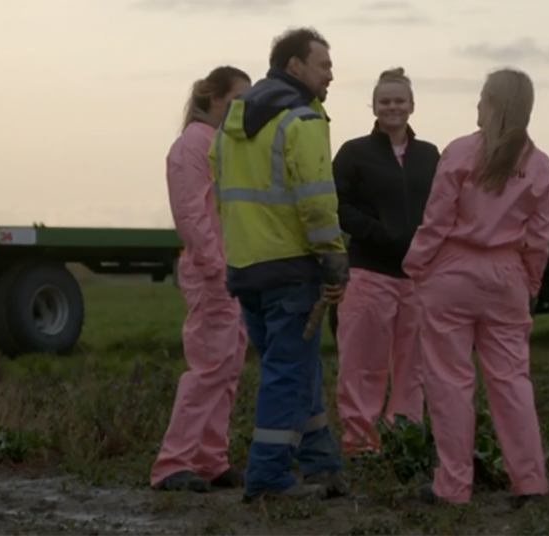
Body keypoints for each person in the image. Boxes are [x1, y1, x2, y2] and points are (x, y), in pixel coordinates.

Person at [401, 67, 549, 506]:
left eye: (482, 97)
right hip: (507, 277)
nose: (477, 104)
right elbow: (540, 237)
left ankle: (453, 486)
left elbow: (436, 221)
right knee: (512, 381)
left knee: (449, 382)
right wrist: (529, 282)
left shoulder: (461, 152)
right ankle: (531, 483)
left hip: (452, 272)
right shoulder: (540, 166)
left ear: (491, 104)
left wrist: (416, 266)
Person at [208, 27, 351, 503]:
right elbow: (317, 200)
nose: (331, 75)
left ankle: (320, 462)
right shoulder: (302, 120)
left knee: (295, 368)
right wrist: (333, 257)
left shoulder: (232, 123)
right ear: (296, 66)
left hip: (246, 267)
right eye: (324, 65)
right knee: (288, 374)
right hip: (291, 267)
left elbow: (220, 189)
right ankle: (268, 476)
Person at [151, 66, 254, 494]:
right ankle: (173, 463)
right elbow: (192, 215)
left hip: (232, 271)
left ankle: (211, 459)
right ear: (214, 98)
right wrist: (216, 270)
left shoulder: (221, 143)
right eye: (237, 99)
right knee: (210, 367)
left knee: (227, 368)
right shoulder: (192, 146)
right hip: (214, 273)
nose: (243, 108)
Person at [332, 67, 440, 457]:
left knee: (414, 366)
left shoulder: (430, 155)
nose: (392, 107)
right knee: (363, 364)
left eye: (399, 100)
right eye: (385, 101)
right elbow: (338, 206)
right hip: (368, 272)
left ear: (412, 106)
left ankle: (404, 442)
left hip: (418, 277)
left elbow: (443, 205)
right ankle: (360, 445)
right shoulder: (353, 153)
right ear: (373, 106)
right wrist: (379, 232)